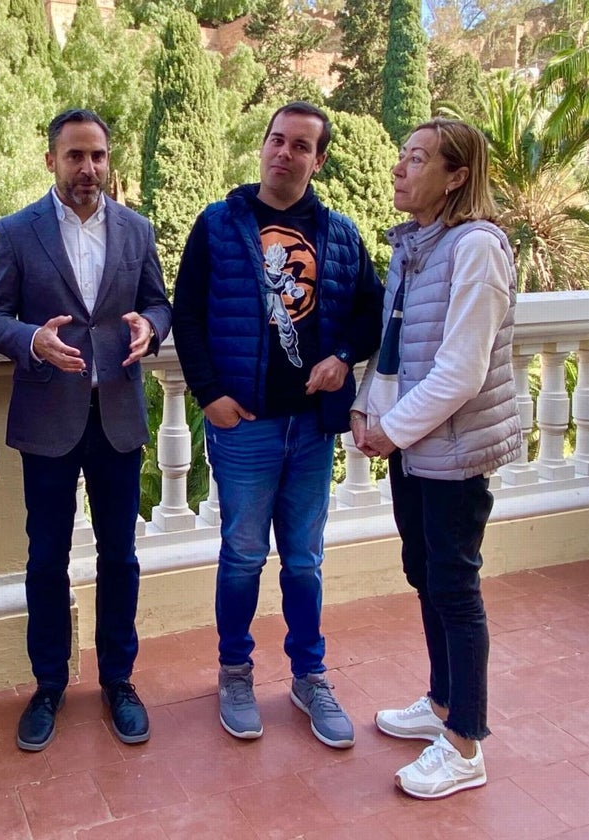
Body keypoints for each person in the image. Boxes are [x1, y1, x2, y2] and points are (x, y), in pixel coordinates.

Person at [171, 102, 384, 749]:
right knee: (240, 557)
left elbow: (371, 316)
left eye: (300, 146)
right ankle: (235, 672)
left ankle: (309, 676)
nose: (284, 153)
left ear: (318, 160)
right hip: (246, 428)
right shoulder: (218, 225)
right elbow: (188, 315)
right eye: (276, 140)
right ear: (263, 147)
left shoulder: (342, 236)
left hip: (312, 430)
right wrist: (209, 396)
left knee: (305, 561)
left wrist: (343, 358)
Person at [0, 109, 171, 752]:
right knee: (45, 558)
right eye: (74, 156)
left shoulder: (137, 230)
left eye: (98, 156)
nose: (88, 168)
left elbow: (158, 302)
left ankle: (119, 679)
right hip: (49, 421)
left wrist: (150, 325)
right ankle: (49, 684)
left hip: (117, 417)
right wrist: (32, 339)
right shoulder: (17, 231)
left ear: (108, 160)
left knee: (120, 555)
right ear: (52, 161)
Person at [352, 118, 519, 800]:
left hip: (450, 451)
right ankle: (442, 702)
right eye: (401, 156)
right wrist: (367, 405)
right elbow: (396, 347)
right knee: (425, 573)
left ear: (455, 176)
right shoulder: (418, 246)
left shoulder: (477, 247)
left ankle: (466, 743)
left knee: (455, 587)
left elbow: (462, 368)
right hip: (414, 446)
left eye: (415, 159)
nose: (399, 168)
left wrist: (391, 430)